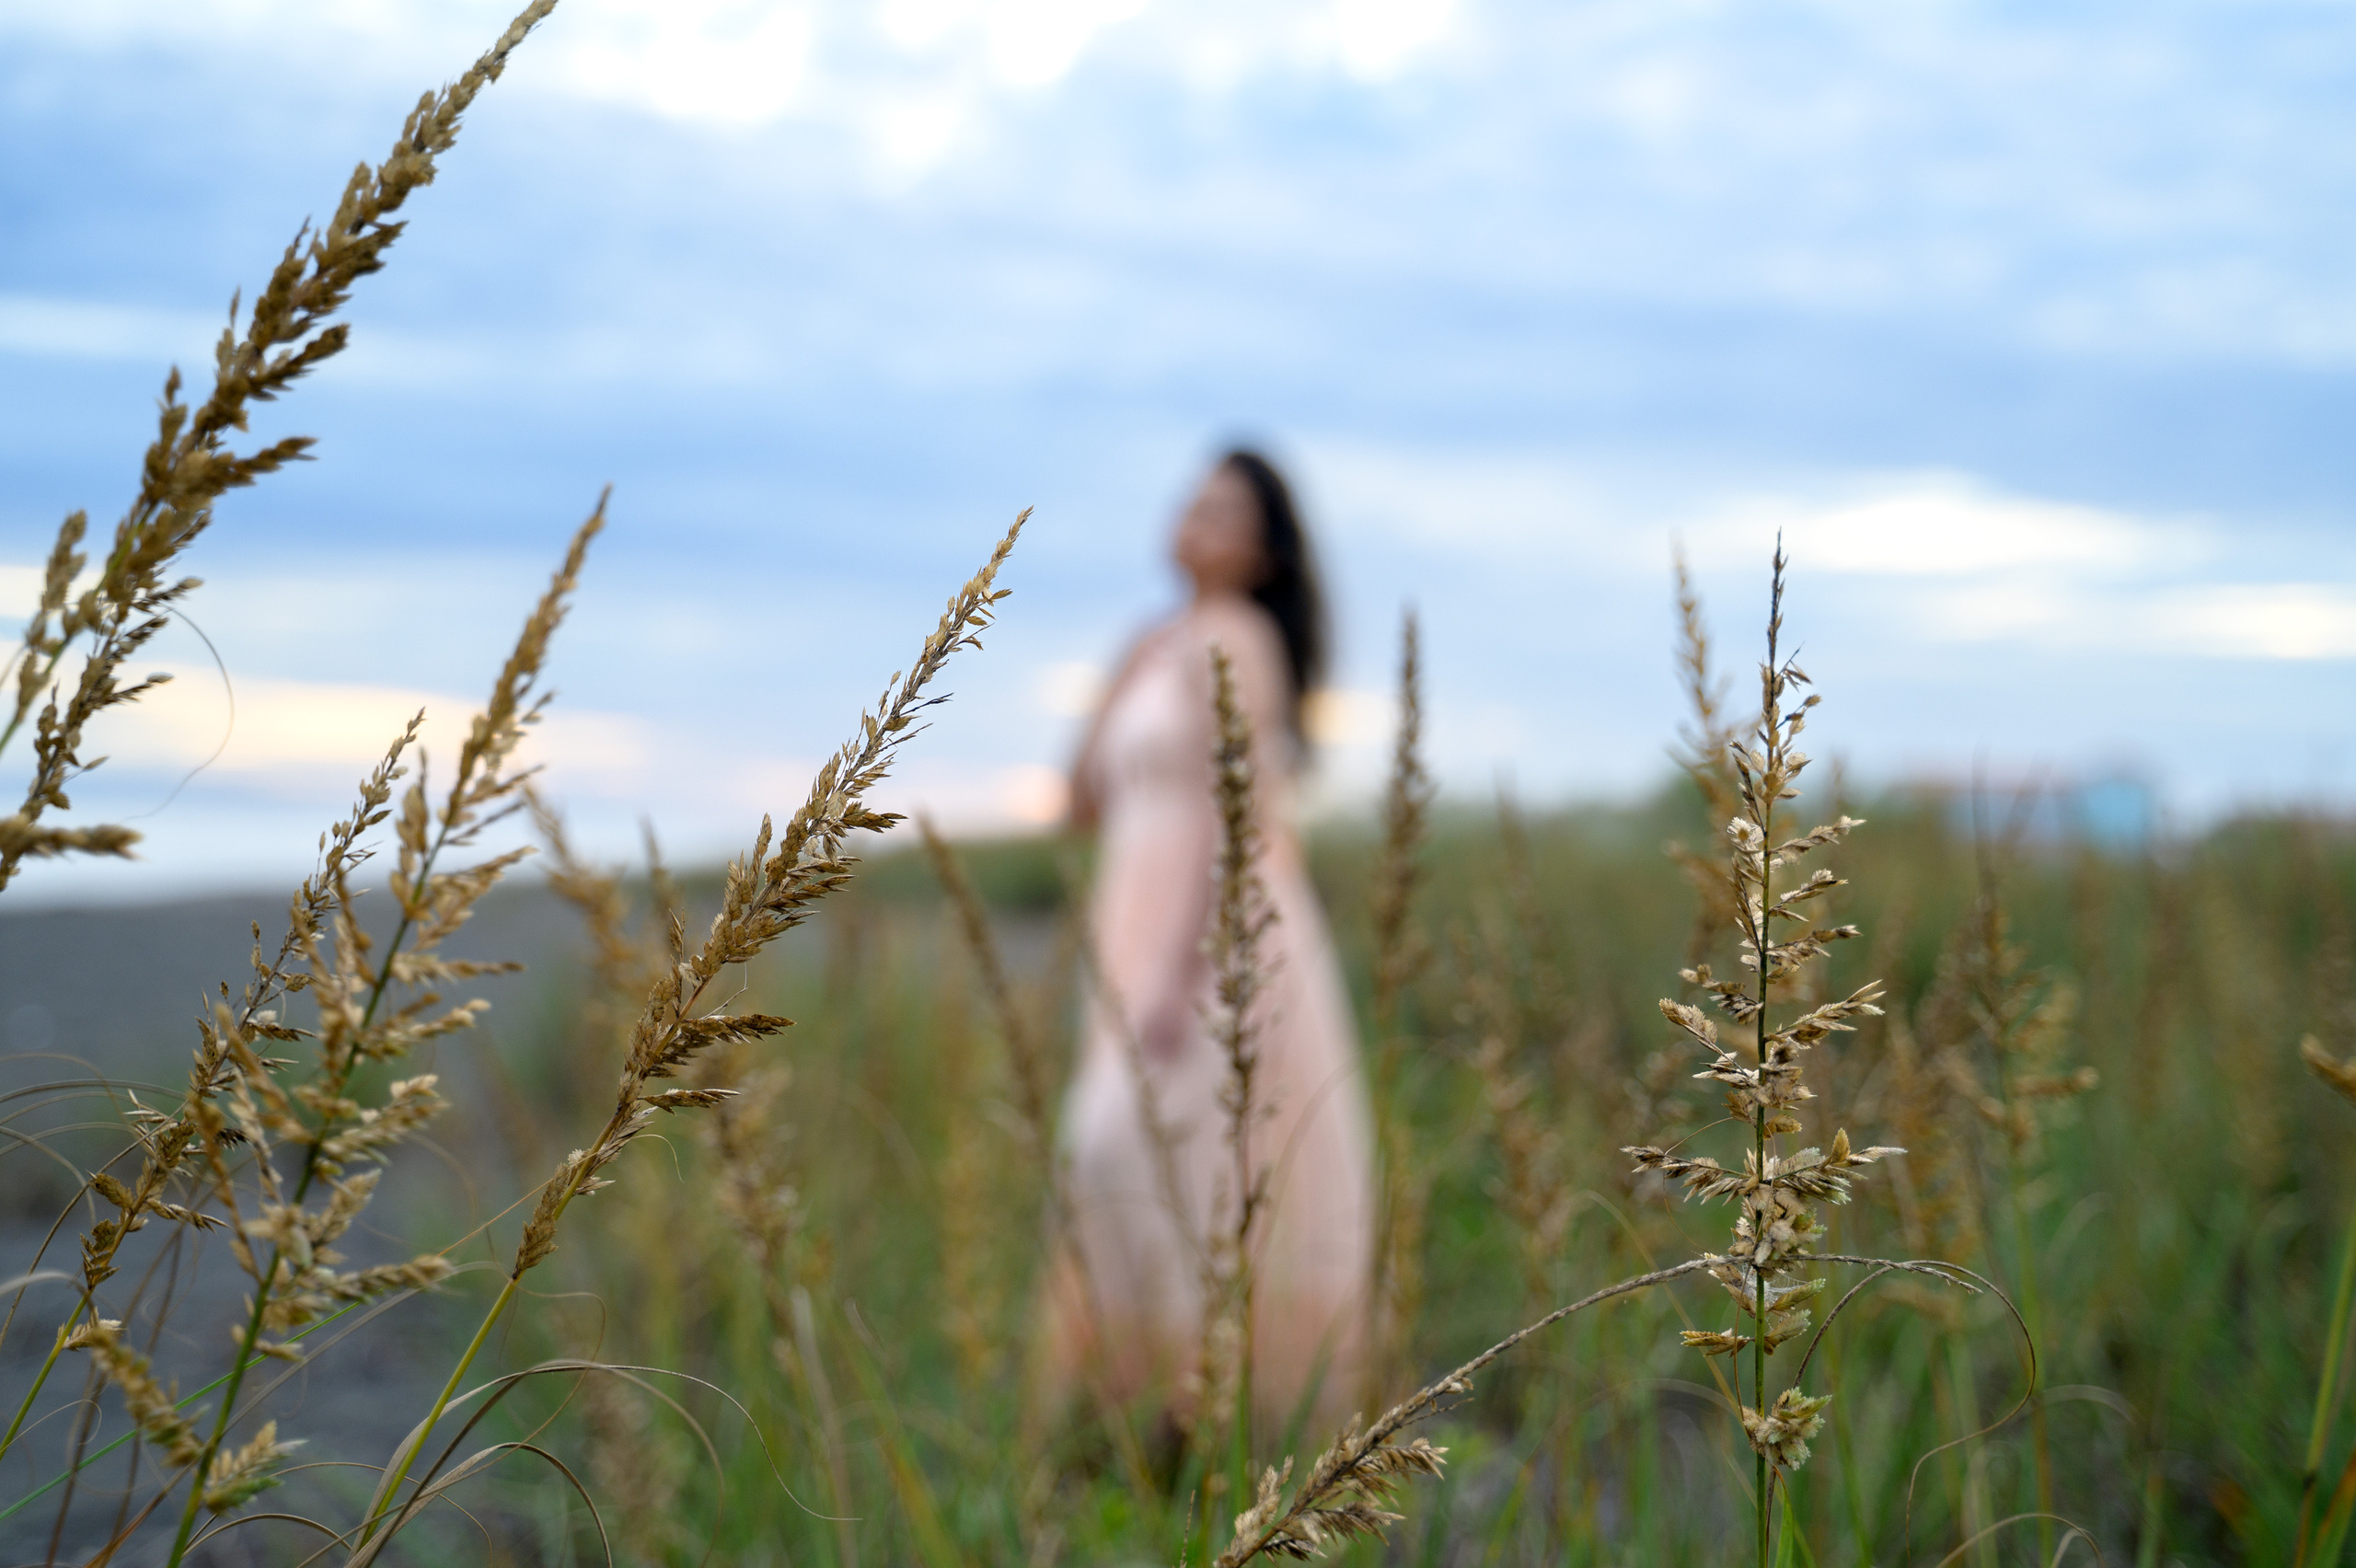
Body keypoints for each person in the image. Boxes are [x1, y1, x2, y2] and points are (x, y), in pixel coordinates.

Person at [1039, 448, 1375, 1438]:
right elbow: (1077, 802)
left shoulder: (1238, 637)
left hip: (1211, 939)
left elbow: (1241, 817)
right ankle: (1155, 1411)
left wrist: (1181, 974)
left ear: (1266, 552)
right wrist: (1123, 668)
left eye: (1226, 511)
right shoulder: (1160, 643)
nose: (1197, 519)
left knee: (1147, 1152)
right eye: (1193, 502)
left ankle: (1202, 1408)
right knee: (1158, 1162)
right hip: (1134, 930)